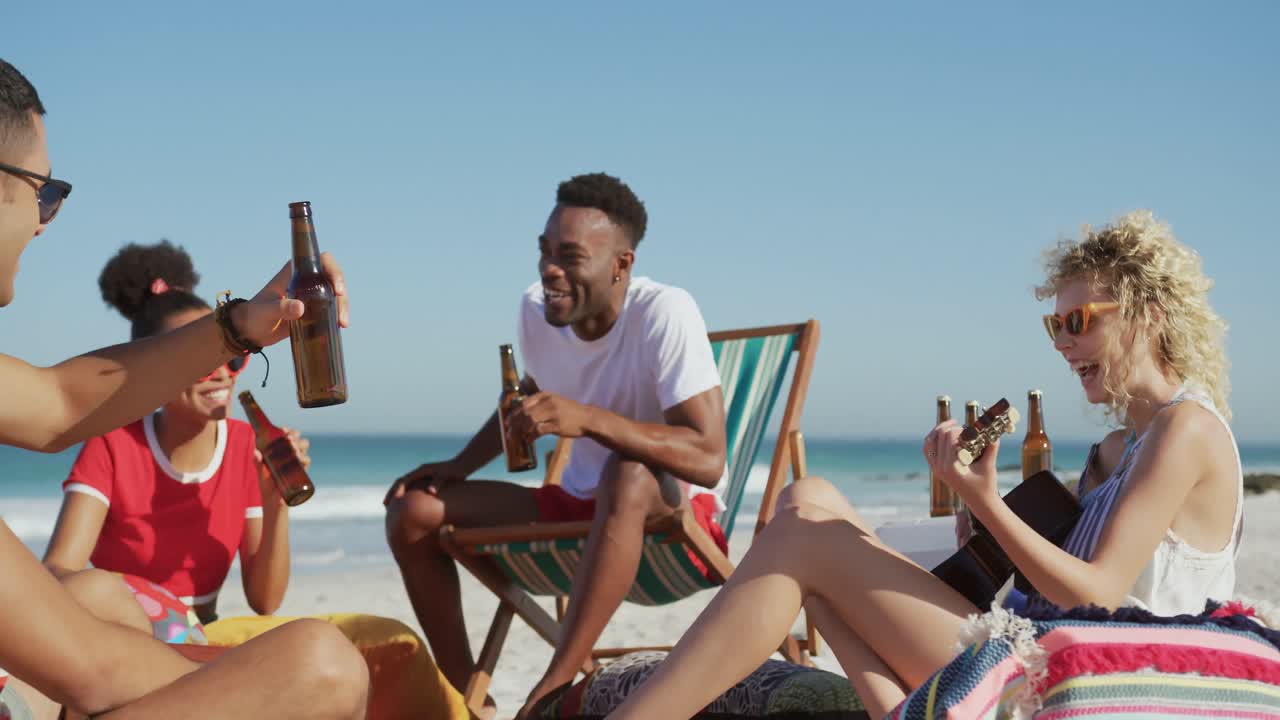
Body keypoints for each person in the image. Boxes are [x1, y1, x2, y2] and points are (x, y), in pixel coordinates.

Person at [606, 209, 1242, 719]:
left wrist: (989, 500)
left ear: (1149, 313)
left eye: (1077, 321)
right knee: (809, 499)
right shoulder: (1115, 450)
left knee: (805, 541)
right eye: (1054, 327)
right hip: (1045, 646)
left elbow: (1098, 592)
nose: (1064, 343)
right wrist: (981, 525)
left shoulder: (1185, 430)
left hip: (1096, 686)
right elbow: (1049, 585)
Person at [0, 58, 368, 719]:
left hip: (123, 643)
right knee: (323, 667)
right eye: (42, 190)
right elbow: (86, 659)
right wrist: (247, 684)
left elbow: (58, 402)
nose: (46, 218)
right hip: (117, 639)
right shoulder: (117, 451)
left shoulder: (239, 447)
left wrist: (241, 326)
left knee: (312, 664)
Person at [384, 172, 729, 718]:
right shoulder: (536, 311)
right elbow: (530, 398)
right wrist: (458, 465)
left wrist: (588, 419)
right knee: (414, 510)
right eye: (545, 252)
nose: (549, 270)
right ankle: (463, 699)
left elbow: (708, 459)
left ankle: (555, 687)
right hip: (578, 511)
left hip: (675, 523)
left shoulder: (664, 313)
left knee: (629, 472)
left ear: (621, 264)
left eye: (570, 257)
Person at [42, 241, 308, 626]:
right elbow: (58, 574)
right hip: (124, 639)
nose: (220, 372)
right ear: (154, 370)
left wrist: (276, 503)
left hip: (205, 641)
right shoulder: (112, 444)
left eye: (231, 355)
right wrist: (154, 612)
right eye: (200, 361)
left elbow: (265, 601)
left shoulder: (246, 445)